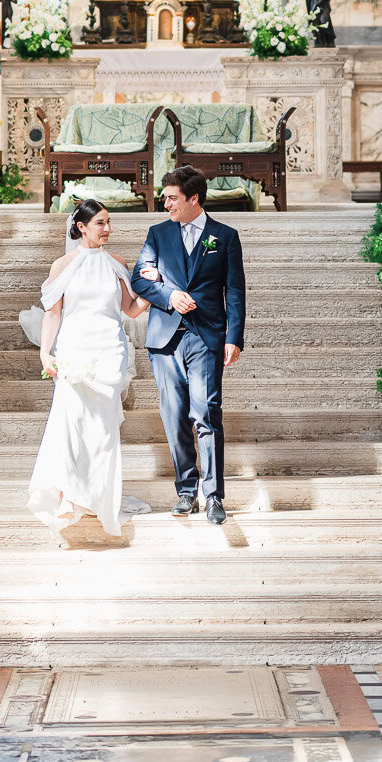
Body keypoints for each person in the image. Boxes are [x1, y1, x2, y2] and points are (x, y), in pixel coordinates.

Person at [28, 199, 147, 541]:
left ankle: (99, 497)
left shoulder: (117, 264)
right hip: (74, 352)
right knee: (71, 425)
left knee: (104, 432)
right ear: (81, 227)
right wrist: (45, 353)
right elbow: (52, 313)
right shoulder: (62, 266)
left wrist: (155, 289)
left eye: (109, 222)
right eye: (100, 223)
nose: (107, 229)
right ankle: (68, 496)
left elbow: (131, 309)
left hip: (109, 353)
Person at [134, 166, 246, 526]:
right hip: (165, 340)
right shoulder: (157, 234)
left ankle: (213, 496)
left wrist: (234, 337)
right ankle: (186, 491)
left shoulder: (225, 237)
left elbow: (235, 291)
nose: (165, 203)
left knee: (207, 412)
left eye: (171, 197)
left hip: (205, 336)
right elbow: (139, 278)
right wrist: (169, 294)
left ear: (193, 198)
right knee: (174, 416)